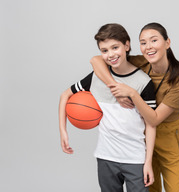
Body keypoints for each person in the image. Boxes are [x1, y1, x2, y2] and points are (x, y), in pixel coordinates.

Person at [90, 22, 179, 192]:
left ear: (167, 42)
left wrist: (132, 94)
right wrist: (116, 89)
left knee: (176, 188)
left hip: (168, 137)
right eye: (143, 43)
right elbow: (96, 60)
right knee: (151, 187)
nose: (148, 47)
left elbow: (155, 119)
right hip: (142, 138)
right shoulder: (143, 62)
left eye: (154, 40)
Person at [59, 23, 157, 192]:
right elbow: (64, 96)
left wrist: (148, 162)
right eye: (104, 51)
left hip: (135, 159)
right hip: (105, 157)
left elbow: (151, 124)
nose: (110, 54)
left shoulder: (144, 82)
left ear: (126, 45)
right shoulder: (97, 77)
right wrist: (63, 132)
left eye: (115, 47)